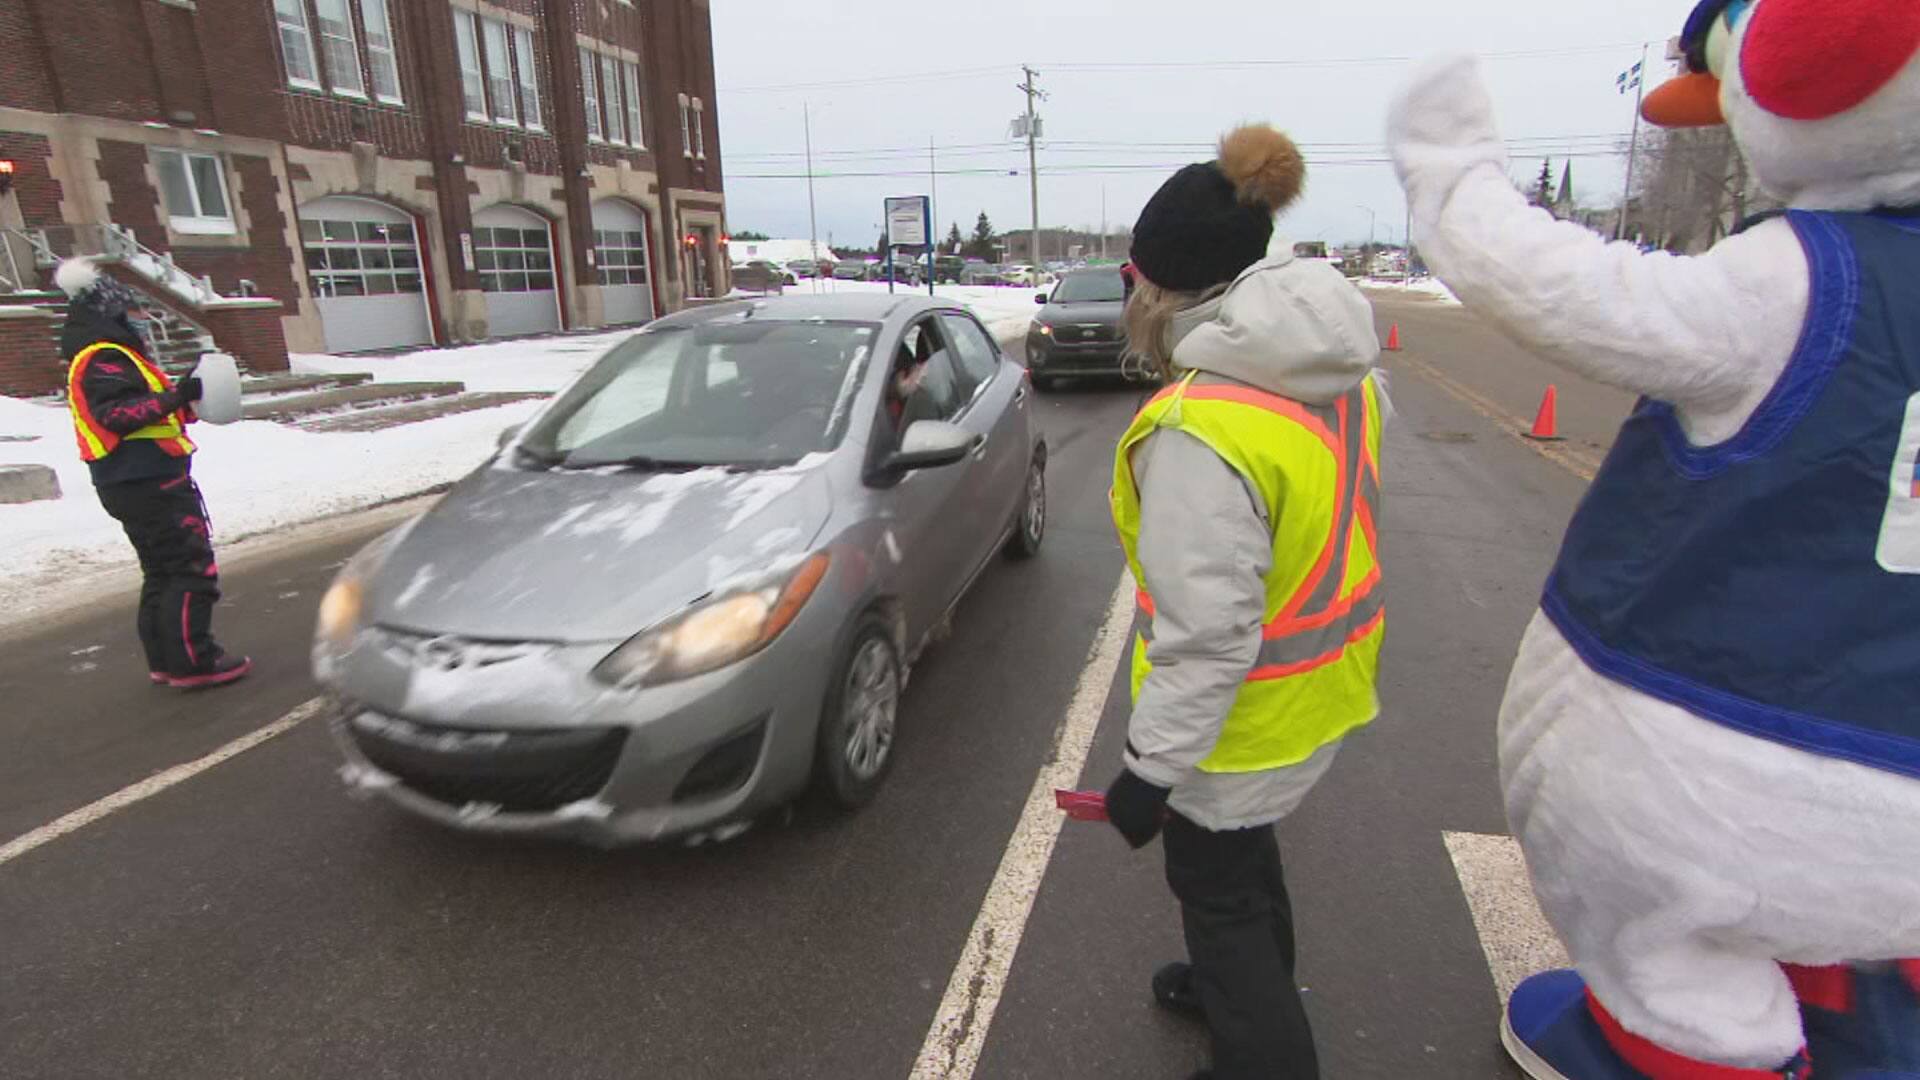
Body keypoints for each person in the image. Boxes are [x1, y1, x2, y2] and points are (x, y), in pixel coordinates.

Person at [1387, 0, 1920, 1075]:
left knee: (1673, 941)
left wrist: (1451, 176)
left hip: (1721, 736)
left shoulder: (1796, 279)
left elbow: (1575, 292)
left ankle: (1694, 1044)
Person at [1103, 123, 1387, 1080]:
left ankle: (1260, 1051)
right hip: (1319, 689)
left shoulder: (1200, 430)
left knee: (1216, 887)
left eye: (1136, 281)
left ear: (1165, 287)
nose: (1130, 299)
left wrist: (1149, 769)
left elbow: (1208, 636)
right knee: (1245, 869)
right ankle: (1235, 982)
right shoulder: (1332, 372)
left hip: (1240, 717)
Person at [57, 259, 250, 689]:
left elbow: (139, 411)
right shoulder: (104, 356)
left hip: (132, 479)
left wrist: (183, 401)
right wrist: (177, 396)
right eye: (131, 312)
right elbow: (118, 414)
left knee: (162, 571)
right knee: (189, 569)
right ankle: (193, 662)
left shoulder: (106, 354)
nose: (140, 320)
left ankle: (167, 660)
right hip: (147, 481)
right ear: (111, 313)